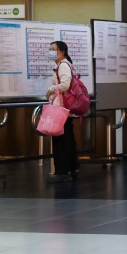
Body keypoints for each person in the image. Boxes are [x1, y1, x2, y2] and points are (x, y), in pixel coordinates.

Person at [45, 40, 80, 183]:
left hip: (62, 110)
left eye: (53, 49)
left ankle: (62, 172)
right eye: (50, 48)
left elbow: (65, 84)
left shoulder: (63, 65)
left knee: (61, 141)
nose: (51, 51)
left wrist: (51, 90)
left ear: (62, 51)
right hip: (65, 109)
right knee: (68, 140)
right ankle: (72, 168)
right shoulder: (63, 65)